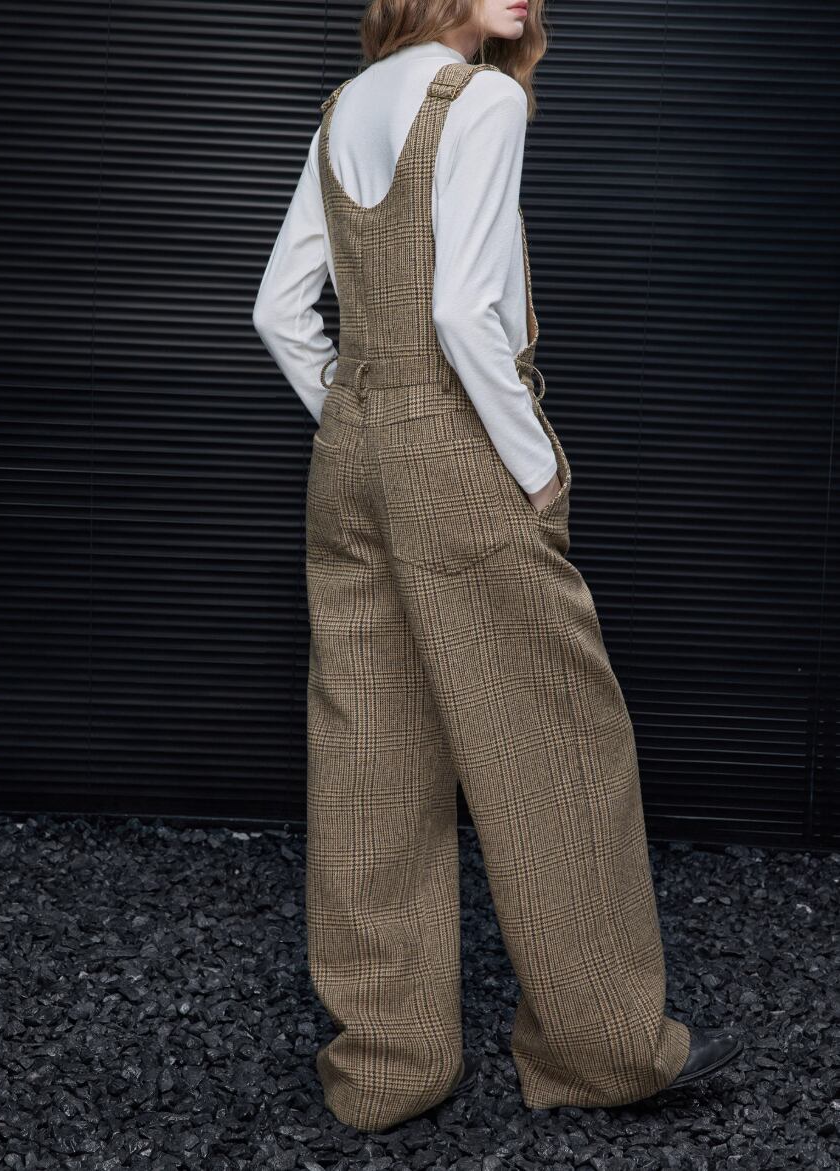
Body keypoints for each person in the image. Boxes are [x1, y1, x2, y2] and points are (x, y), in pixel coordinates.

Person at [253, 0, 743, 1135]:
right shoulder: (479, 99)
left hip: (349, 450)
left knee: (371, 752)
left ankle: (387, 1069)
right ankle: (605, 1052)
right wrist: (534, 469)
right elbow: (463, 311)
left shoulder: (342, 108)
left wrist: (359, 416)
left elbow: (277, 310)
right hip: (456, 449)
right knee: (554, 739)